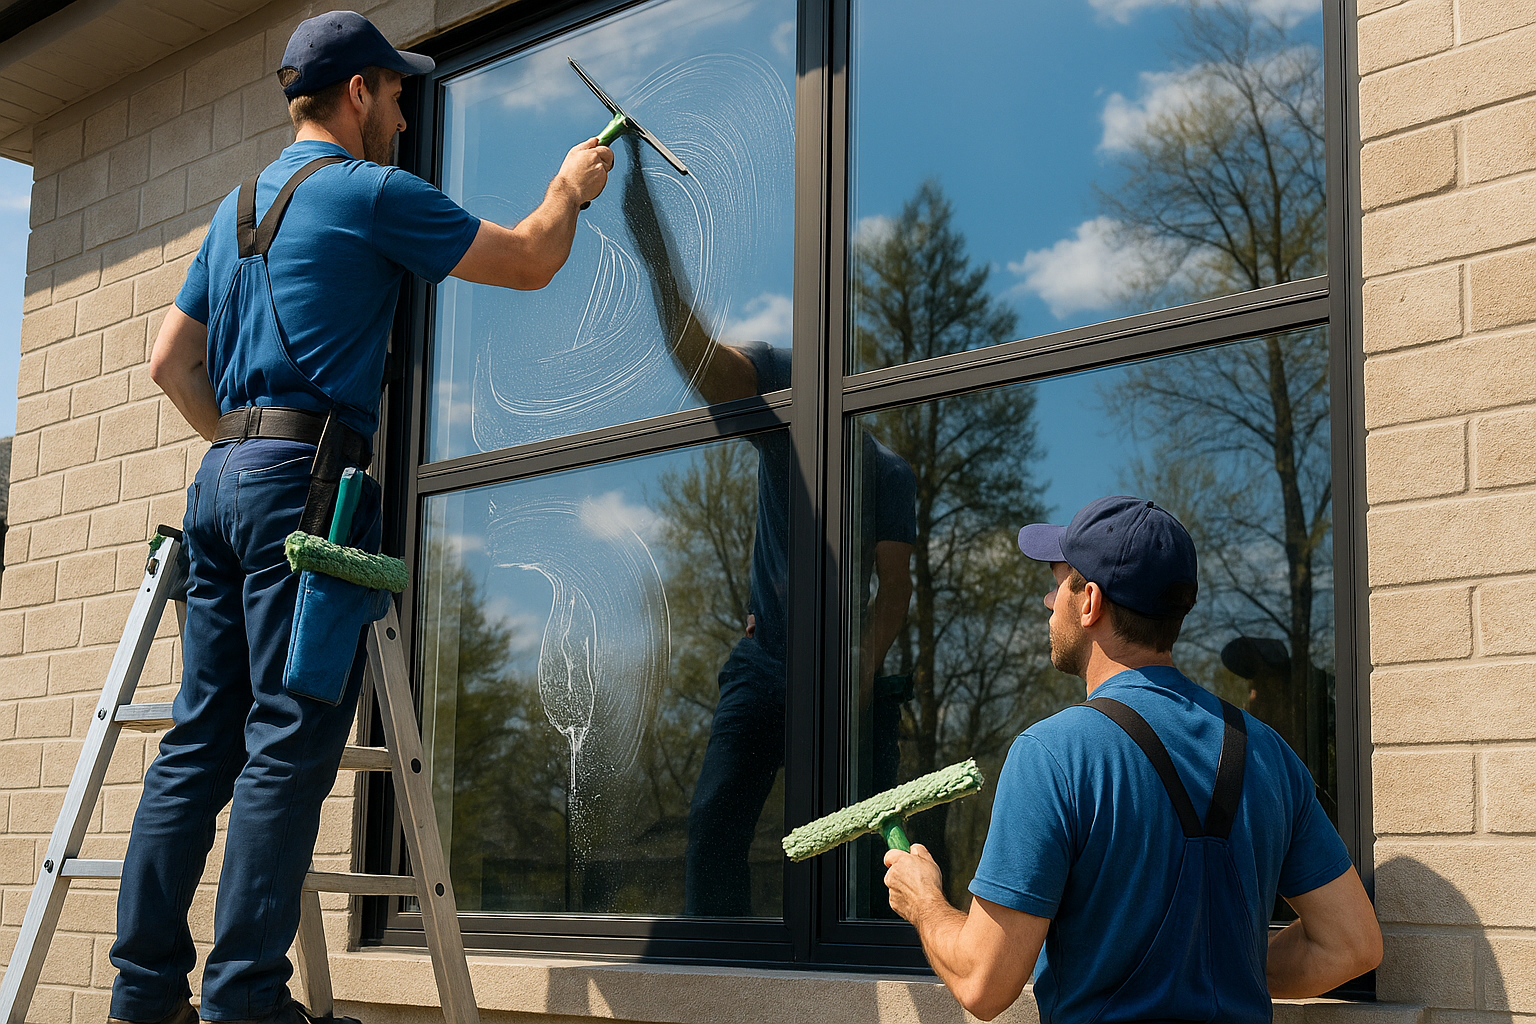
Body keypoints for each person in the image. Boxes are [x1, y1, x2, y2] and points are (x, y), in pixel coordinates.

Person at [110, 13, 611, 1024]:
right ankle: (246, 999)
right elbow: (528, 260)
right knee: (289, 736)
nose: (407, 118)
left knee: (200, 741)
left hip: (220, 478)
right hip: (306, 483)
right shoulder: (370, 193)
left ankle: (144, 994)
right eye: (396, 95)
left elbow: (169, 362)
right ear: (356, 94)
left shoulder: (236, 208)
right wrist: (569, 186)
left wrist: (243, 447)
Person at [881, 496, 1382, 1022]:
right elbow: (1350, 945)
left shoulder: (1053, 754)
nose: (1048, 601)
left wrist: (923, 900)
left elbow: (983, 983)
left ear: (1089, 602)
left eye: (1058, 584)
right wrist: (1221, 970)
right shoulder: (1268, 752)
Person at [618, 147, 916, 915]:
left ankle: (862, 949)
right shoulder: (791, 388)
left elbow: (893, 590)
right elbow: (704, 364)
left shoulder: (887, 473)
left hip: (843, 672)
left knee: (863, 846)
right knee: (716, 822)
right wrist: (658, 258)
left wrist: (861, 671)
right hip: (765, 661)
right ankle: (714, 957)